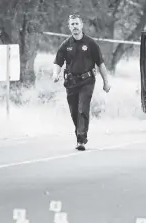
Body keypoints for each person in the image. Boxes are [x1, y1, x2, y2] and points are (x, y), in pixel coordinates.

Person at [52, 14, 111, 151]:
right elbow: (58, 62)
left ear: (82, 25)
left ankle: (81, 139)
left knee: (82, 108)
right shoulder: (66, 45)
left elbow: (101, 64)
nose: (75, 27)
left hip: (87, 81)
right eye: (72, 24)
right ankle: (80, 134)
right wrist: (55, 74)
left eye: (77, 24)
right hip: (71, 83)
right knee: (74, 112)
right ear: (69, 27)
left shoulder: (91, 44)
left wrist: (106, 82)